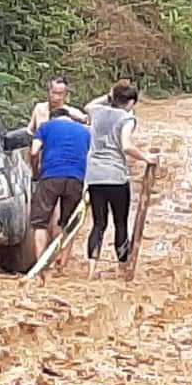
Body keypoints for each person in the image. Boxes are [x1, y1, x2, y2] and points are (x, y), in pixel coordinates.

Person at [83, 80, 159, 278]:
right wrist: (146, 157)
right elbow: (126, 146)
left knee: (98, 223)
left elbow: (87, 106)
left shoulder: (97, 112)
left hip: (94, 176)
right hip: (116, 176)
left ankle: (91, 270)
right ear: (131, 101)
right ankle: (121, 268)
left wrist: (109, 96)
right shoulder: (127, 118)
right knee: (120, 222)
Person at [30, 107, 91, 273]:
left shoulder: (46, 127)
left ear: (52, 118)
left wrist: (35, 172)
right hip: (75, 178)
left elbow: (34, 151)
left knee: (40, 223)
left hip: (50, 176)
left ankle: (41, 266)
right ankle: (62, 265)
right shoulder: (85, 132)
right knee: (68, 223)